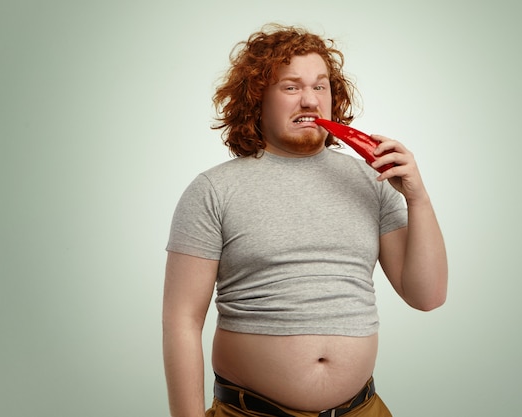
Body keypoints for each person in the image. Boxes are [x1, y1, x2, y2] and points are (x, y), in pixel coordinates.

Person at [162, 23, 448, 417]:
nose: (310, 101)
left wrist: (417, 197)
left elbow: (427, 296)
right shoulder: (213, 190)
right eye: (291, 87)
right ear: (257, 98)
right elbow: (182, 320)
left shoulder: (373, 180)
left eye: (321, 86)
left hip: (361, 409)